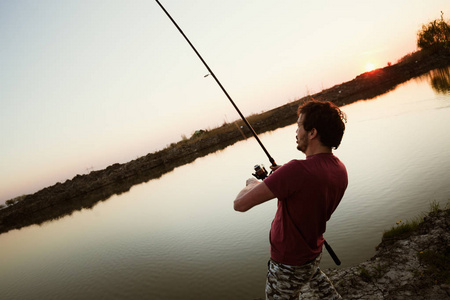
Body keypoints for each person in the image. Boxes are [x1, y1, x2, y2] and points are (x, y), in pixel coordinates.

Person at [234, 100, 348, 299]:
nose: (296, 132)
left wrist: (251, 184)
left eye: (298, 126)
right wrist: (283, 176)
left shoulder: (297, 171)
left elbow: (240, 205)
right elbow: (309, 188)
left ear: (312, 133)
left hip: (288, 263)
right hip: (312, 252)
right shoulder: (339, 168)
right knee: (323, 289)